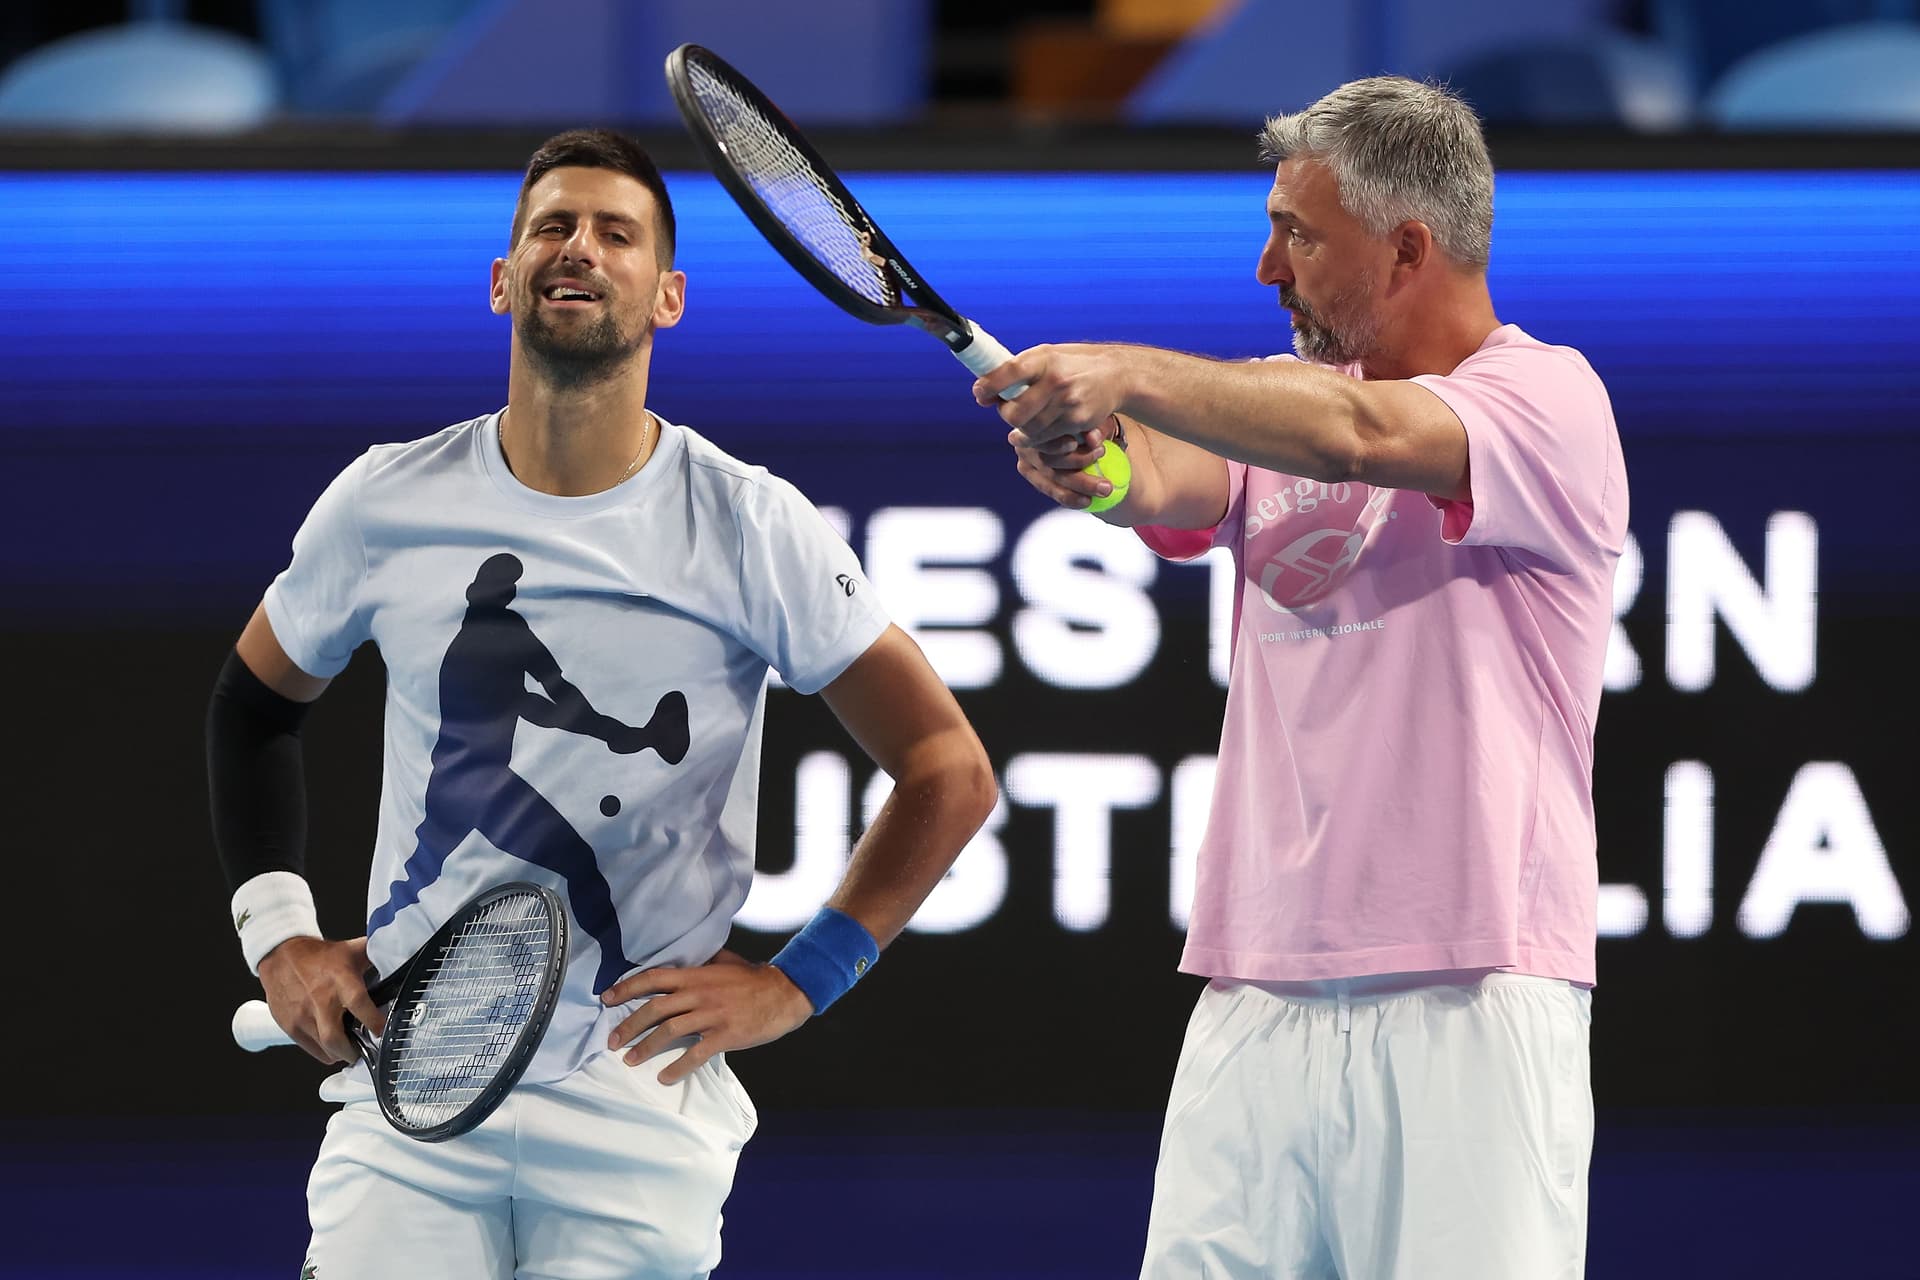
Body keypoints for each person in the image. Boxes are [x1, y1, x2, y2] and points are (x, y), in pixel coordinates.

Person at [207, 129, 998, 1280]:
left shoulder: (749, 523)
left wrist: (797, 981)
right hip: (416, 1081)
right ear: (503, 278)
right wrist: (278, 937)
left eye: (615, 232)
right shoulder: (386, 501)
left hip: (637, 1100)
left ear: (666, 295)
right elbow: (251, 707)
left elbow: (948, 765)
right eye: (552, 226)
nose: (579, 246)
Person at [979, 77, 1626, 1278]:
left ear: (1406, 249)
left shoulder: (1549, 401)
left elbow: (1361, 437)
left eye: (1298, 233)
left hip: (1471, 997)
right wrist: (1095, 461)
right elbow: (1164, 477)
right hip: (1255, 995)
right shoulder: (1278, 410)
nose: (1267, 269)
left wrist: (1120, 369)